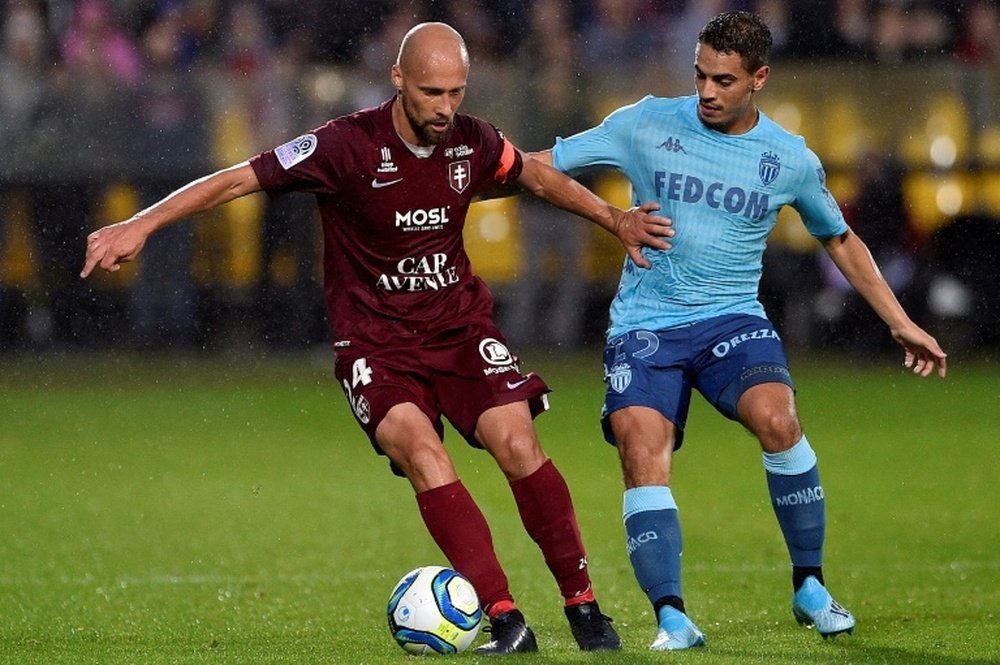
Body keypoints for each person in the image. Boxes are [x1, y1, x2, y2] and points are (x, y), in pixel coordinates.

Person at [81, 22, 673, 655]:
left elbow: (531, 175)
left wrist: (615, 218)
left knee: (517, 441)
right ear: (397, 80)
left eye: (456, 92)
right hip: (375, 345)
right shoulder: (342, 145)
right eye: (431, 92)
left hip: (458, 328)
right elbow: (236, 180)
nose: (446, 108)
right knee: (424, 453)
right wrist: (139, 225)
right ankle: (505, 618)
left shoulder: (472, 141)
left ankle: (584, 608)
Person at [532, 10, 947, 651]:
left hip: (732, 318)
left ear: (759, 78)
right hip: (647, 325)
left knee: (779, 421)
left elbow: (840, 239)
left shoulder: (786, 159)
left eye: (723, 80)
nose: (706, 91)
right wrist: (611, 215)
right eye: (700, 75)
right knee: (642, 450)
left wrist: (900, 322)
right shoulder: (645, 122)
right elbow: (537, 166)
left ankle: (809, 585)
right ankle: (672, 618)